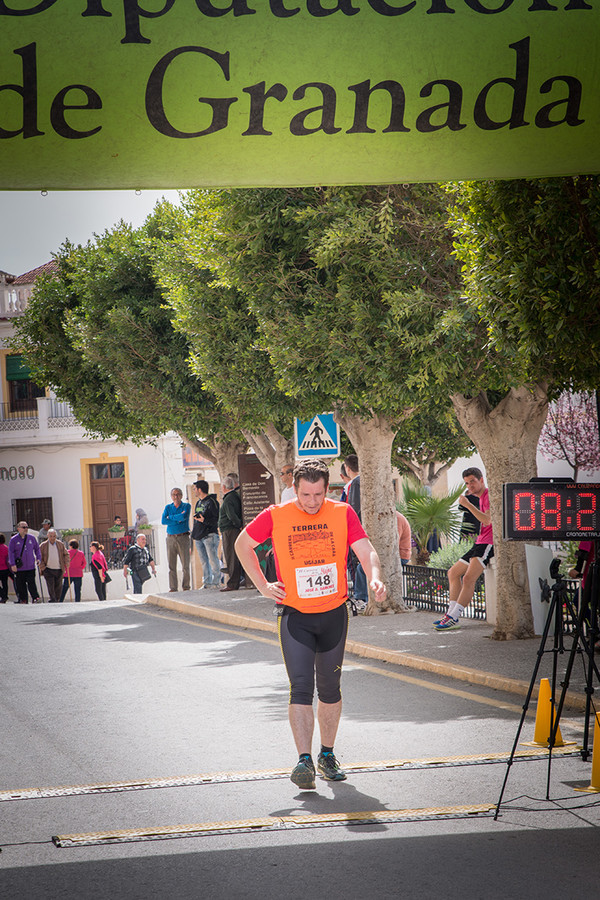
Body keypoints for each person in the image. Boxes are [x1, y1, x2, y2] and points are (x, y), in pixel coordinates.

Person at [235, 459, 386, 789]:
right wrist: (263, 585)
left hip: (333, 614)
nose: (313, 501)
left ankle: (326, 755)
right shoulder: (276, 514)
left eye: (318, 494)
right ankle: (303, 761)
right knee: (301, 687)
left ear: (327, 488)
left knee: (330, 689)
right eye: (305, 495)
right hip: (295, 617)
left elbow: (366, 551)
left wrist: (374, 577)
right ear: (294, 489)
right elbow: (242, 544)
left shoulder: (342, 512)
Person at [434, 467, 493, 631]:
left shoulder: (488, 495)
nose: (470, 486)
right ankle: (449, 614)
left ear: (481, 480)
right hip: (480, 542)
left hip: (489, 543)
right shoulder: (480, 497)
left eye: (472, 481)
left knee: (468, 579)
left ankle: (454, 616)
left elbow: (487, 520)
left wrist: (467, 505)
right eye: (467, 483)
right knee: (453, 573)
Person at [344, 454, 368, 610]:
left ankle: (360, 598)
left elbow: (353, 510)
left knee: (354, 564)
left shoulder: (354, 484)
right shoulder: (365, 481)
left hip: (356, 533)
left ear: (347, 468)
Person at [191, 480, 221, 589]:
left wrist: (204, 520)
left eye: (195, 489)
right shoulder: (198, 503)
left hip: (210, 535)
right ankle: (207, 582)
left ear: (199, 489)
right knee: (204, 561)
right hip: (199, 536)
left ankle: (216, 582)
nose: (194, 490)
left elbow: (217, 520)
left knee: (213, 559)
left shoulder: (212, 502)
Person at [161, 487, 191, 592]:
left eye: (178, 494)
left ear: (181, 496)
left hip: (183, 537)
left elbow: (184, 517)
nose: (176, 496)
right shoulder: (168, 507)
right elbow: (163, 521)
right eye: (174, 494)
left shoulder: (186, 506)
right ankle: (173, 587)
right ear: (171, 496)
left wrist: (171, 517)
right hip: (170, 538)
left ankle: (186, 586)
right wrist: (177, 519)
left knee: (185, 565)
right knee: (171, 565)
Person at [218, 474, 243, 592]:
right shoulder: (234, 496)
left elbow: (231, 516)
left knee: (231, 556)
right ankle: (235, 581)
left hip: (230, 530)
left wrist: (239, 525)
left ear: (224, 487)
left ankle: (233, 583)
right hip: (231, 530)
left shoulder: (228, 499)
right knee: (233, 556)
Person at [9, 522, 41, 604]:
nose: (25, 529)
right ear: (18, 528)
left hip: (30, 566)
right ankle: (23, 599)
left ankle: (35, 597)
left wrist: (38, 559)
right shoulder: (14, 540)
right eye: (23, 527)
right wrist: (12, 564)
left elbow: (37, 549)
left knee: (31, 583)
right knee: (21, 584)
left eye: (26, 527)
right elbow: (11, 552)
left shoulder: (32, 538)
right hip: (20, 567)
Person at [39, 528, 70, 603]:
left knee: (58, 586)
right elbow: (39, 557)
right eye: (51, 536)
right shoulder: (43, 545)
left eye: (54, 536)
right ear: (47, 536)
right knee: (50, 586)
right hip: (48, 569)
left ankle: (57, 599)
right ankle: (53, 599)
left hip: (59, 569)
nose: (52, 538)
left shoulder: (60, 544)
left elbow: (66, 554)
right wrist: (43, 567)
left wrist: (67, 562)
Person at [0, 533, 14, 602]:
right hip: (5, 568)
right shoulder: (6, 548)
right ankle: (4, 597)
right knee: (5, 583)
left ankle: (3, 595)